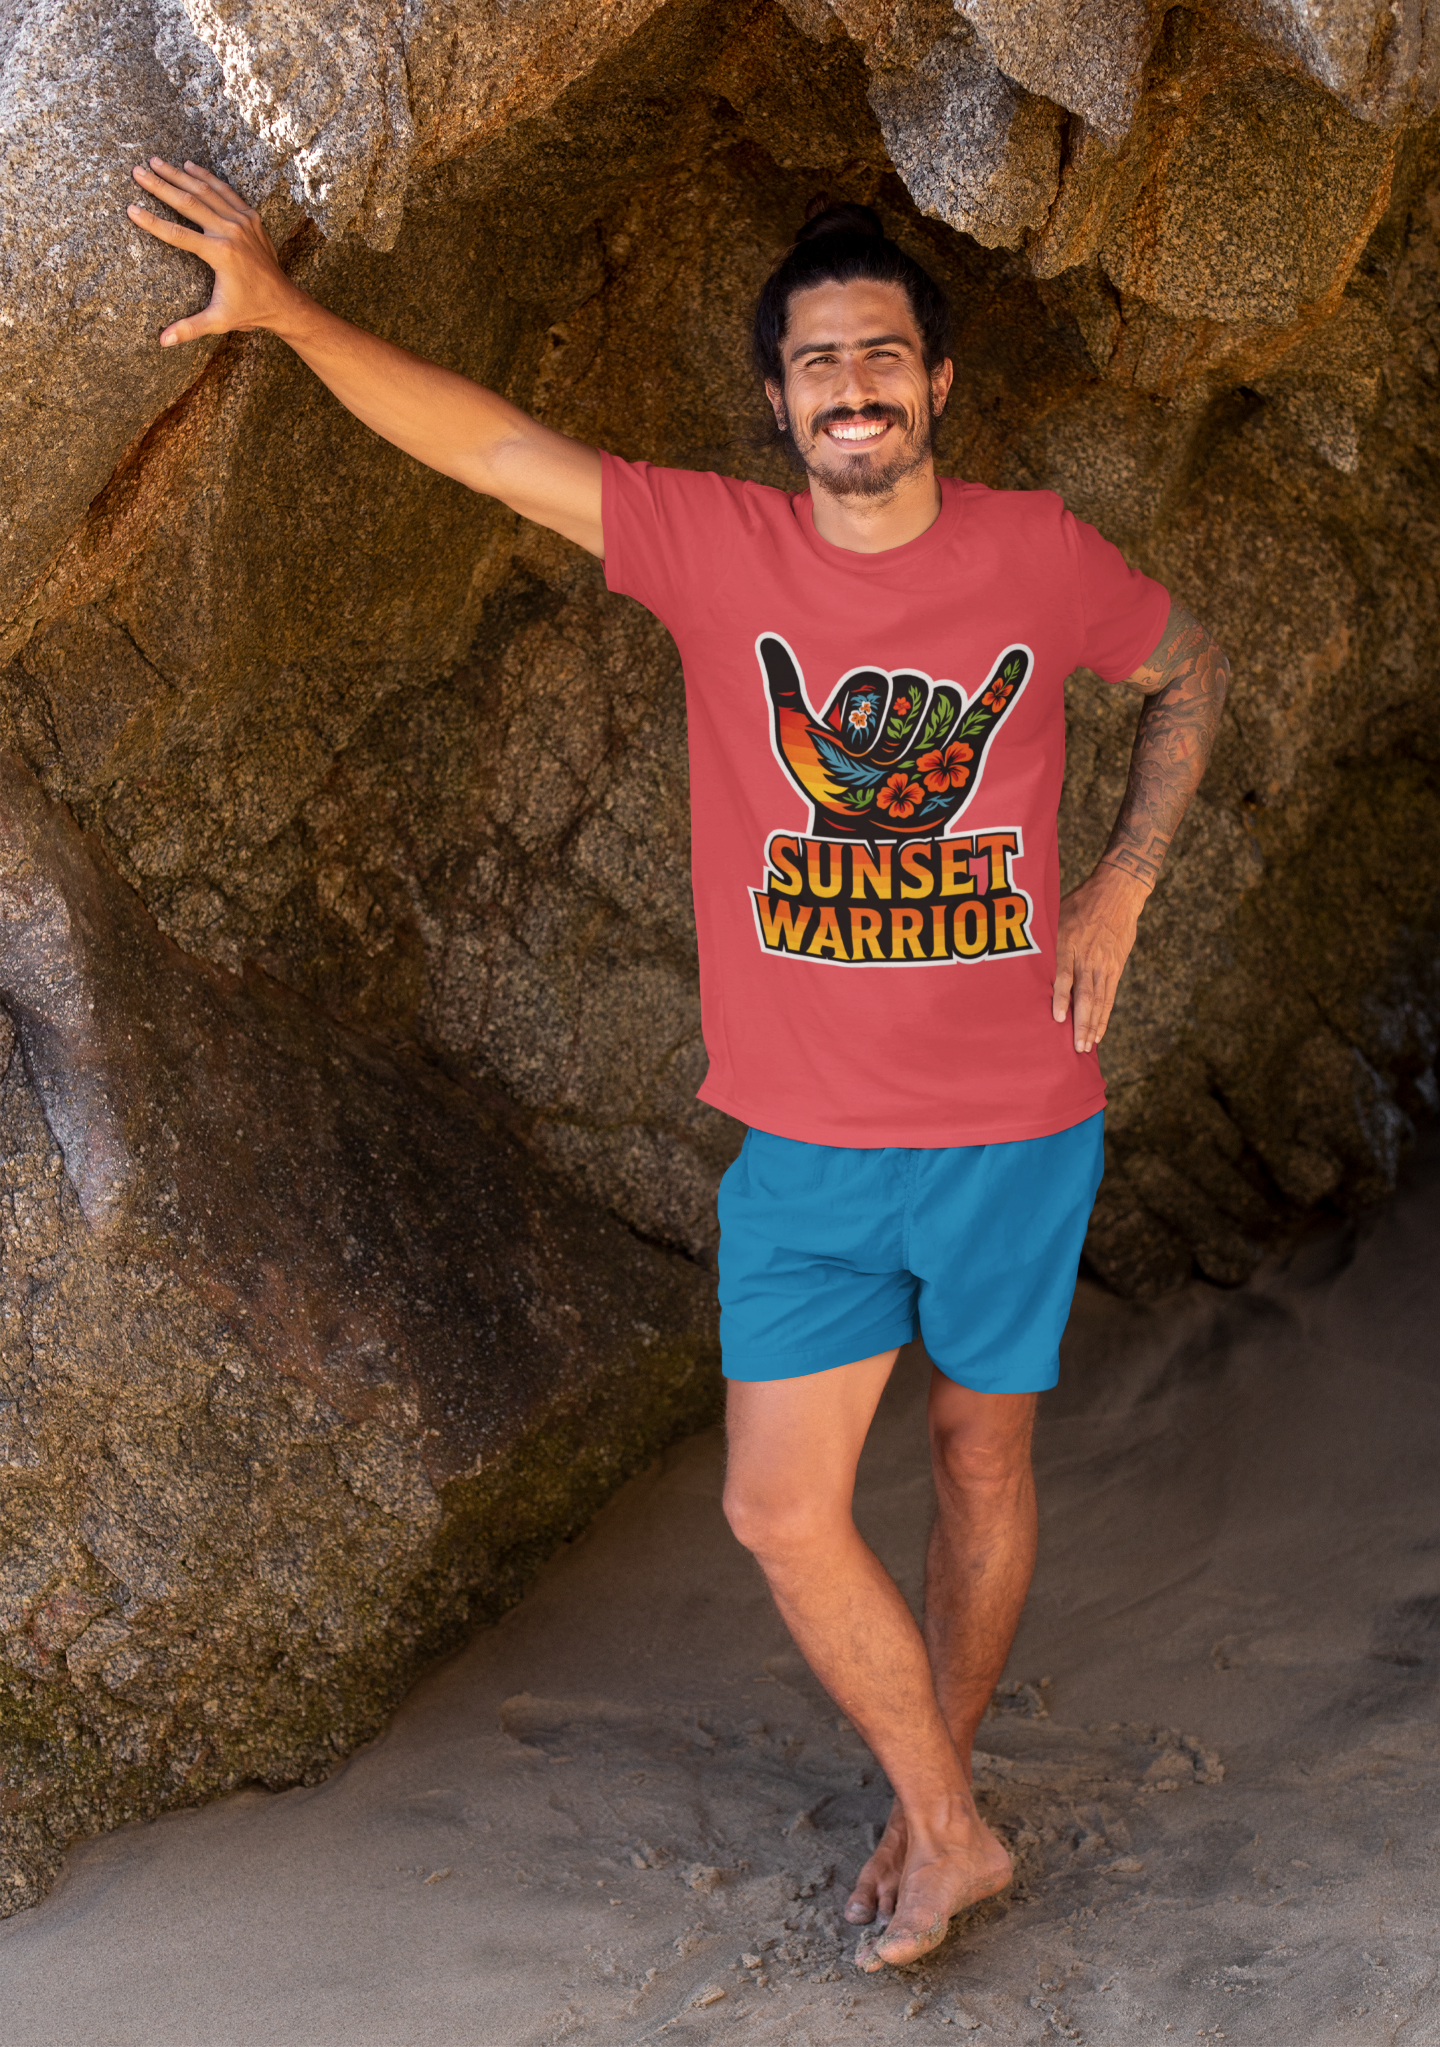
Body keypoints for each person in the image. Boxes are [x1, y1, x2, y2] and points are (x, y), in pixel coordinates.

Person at [125, 162, 1230, 1971]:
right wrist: (284, 307)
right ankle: (953, 1823)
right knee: (777, 1508)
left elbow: (1194, 669)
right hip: (808, 1144)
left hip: (1018, 1121)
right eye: (820, 363)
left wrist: (1125, 879)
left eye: (884, 354)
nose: (855, 386)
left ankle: (930, 1805)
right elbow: (494, 451)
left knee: (980, 1462)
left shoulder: (1036, 554)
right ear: (779, 400)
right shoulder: (723, 550)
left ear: (938, 382)